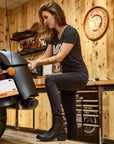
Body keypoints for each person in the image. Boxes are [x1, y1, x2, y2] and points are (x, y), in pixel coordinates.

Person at [28, 2, 88, 142]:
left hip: (79, 75)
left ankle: (57, 125)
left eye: (46, 17)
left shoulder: (70, 32)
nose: (45, 21)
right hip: (68, 77)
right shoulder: (53, 37)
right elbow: (46, 56)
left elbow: (59, 57)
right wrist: (32, 62)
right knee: (70, 113)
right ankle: (68, 138)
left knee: (50, 80)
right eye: (43, 18)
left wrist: (37, 62)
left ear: (56, 15)